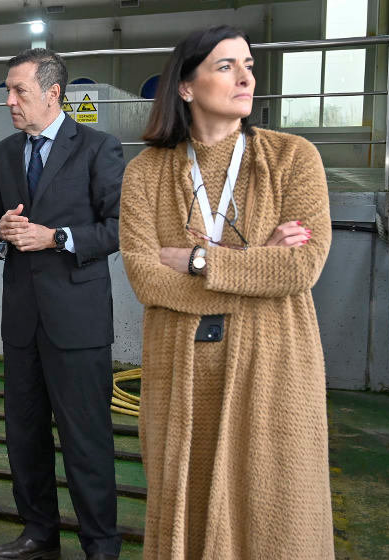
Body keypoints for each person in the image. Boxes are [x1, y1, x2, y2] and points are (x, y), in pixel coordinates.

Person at [119, 25, 334, 558]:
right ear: (186, 88)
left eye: (248, 65)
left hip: (273, 367)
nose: (245, 78)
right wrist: (258, 262)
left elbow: (302, 267)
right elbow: (146, 277)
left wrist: (197, 260)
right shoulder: (145, 172)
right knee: (184, 511)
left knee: (277, 511)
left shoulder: (293, 157)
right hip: (180, 371)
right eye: (225, 66)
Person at [0, 49, 124, 560]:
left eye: (18, 90)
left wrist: (56, 237)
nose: (9, 100)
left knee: (86, 441)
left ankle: (101, 546)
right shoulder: (1, 153)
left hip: (77, 324)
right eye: (7, 90)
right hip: (22, 323)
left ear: (53, 93)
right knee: (25, 435)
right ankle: (39, 533)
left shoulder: (98, 148)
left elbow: (117, 228)